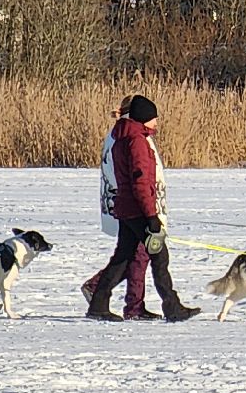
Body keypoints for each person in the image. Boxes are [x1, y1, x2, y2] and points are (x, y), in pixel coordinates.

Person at [85, 95, 201, 322]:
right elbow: (140, 182)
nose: (156, 121)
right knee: (160, 256)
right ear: (143, 118)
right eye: (153, 117)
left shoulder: (122, 137)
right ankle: (172, 307)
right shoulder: (137, 140)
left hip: (126, 208)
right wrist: (151, 216)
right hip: (138, 209)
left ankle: (98, 304)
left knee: (123, 258)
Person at [82, 97, 156, 320]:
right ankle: (127, 303)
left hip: (128, 203)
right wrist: (150, 211)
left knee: (130, 254)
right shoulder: (131, 138)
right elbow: (137, 177)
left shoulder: (124, 135)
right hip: (133, 205)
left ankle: (126, 302)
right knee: (138, 255)